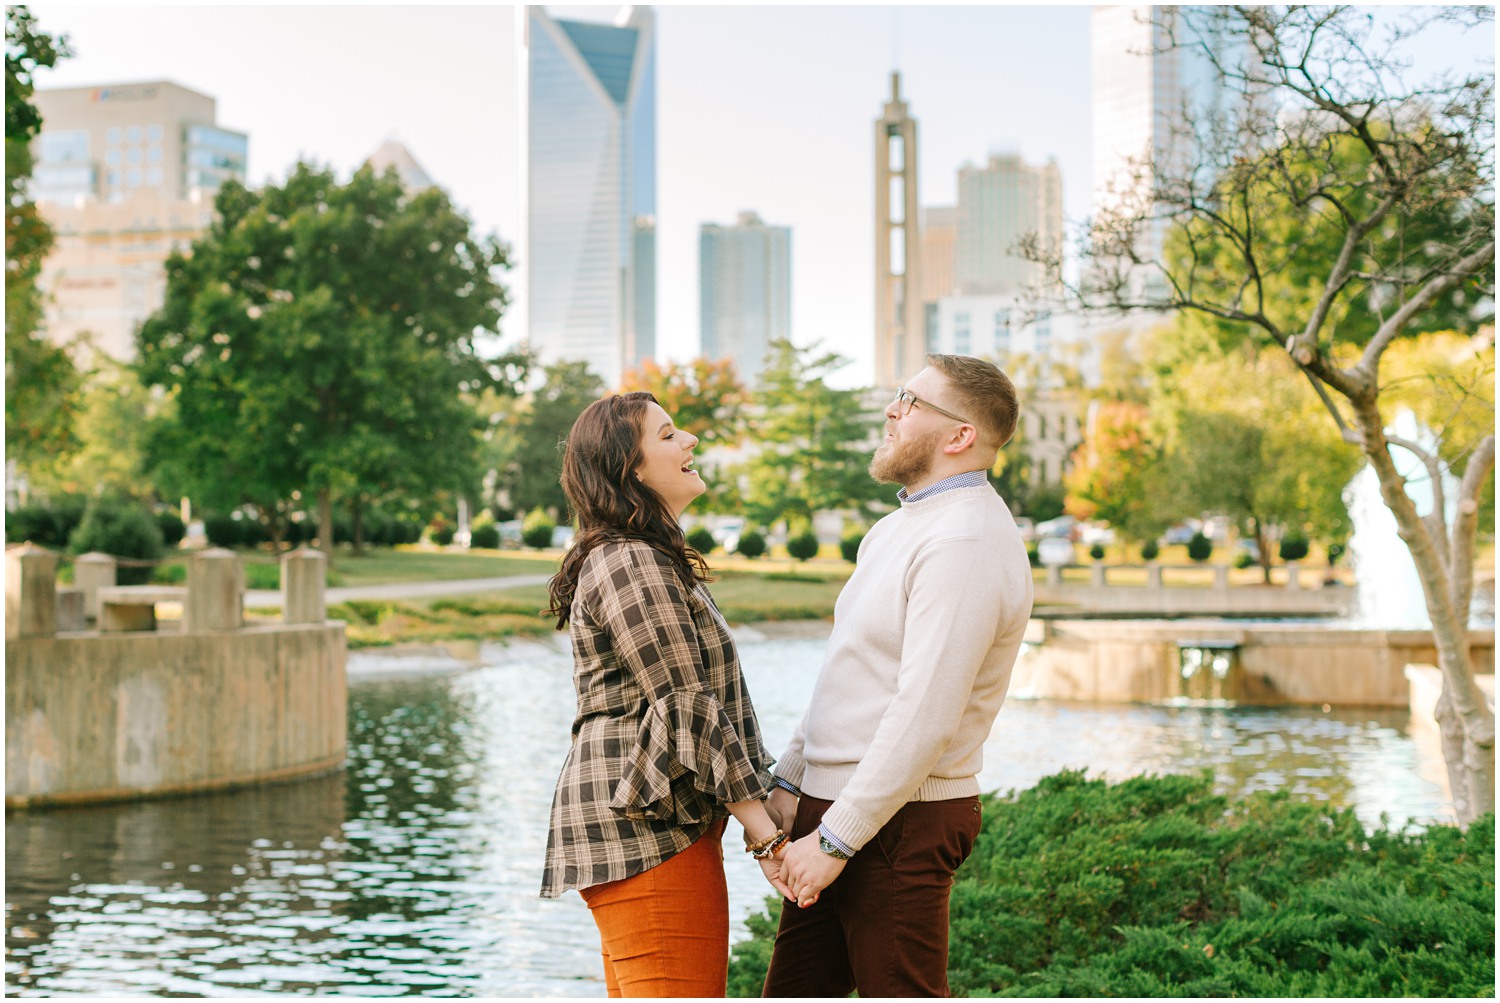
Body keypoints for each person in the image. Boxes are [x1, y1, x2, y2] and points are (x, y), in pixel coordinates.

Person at [764, 354, 1034, 998]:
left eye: (910, 401)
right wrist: (790, 781)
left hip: (900, 821)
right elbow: (847, 674)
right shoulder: (895, 530)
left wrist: (833, 842)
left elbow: (926, 714)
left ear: (959, 435)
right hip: (840, 809)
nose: (891, 409)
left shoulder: (964, 541)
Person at [540, 392, 791, 999]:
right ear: (631, 467)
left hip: (648, 827)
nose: (691, 442)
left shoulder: (642, 557)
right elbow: (688, 704)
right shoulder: (628, 561)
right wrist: (767, 837)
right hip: (646, 833)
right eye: (670, 434)